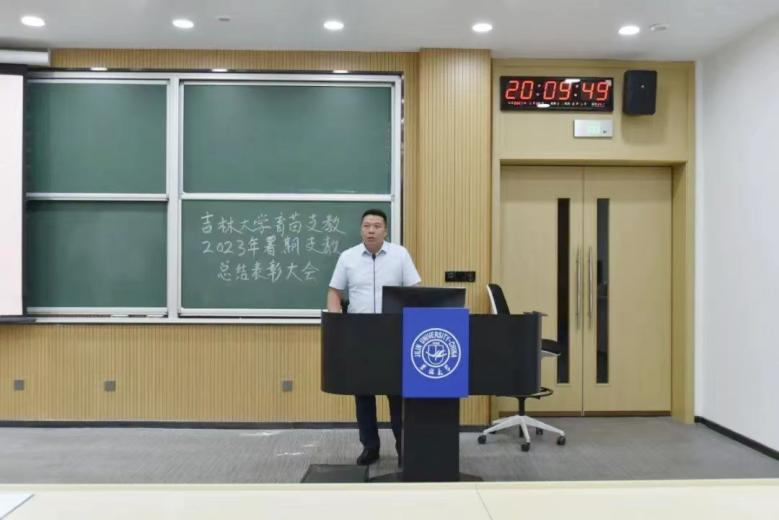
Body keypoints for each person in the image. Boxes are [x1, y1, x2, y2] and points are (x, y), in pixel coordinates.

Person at [327, 208, 421, 466]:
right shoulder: (348, 257)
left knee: (397, 393)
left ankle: (404, 446)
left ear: (385, 230)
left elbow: (415, 291)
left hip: (394, 332)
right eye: (367, 226)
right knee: (364, 394)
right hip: (360, 333)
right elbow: (334, 292)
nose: (371, 230)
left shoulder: (400, 255)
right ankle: (370, 447)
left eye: (376, 226)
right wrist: (336, 324)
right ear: (361, 230)